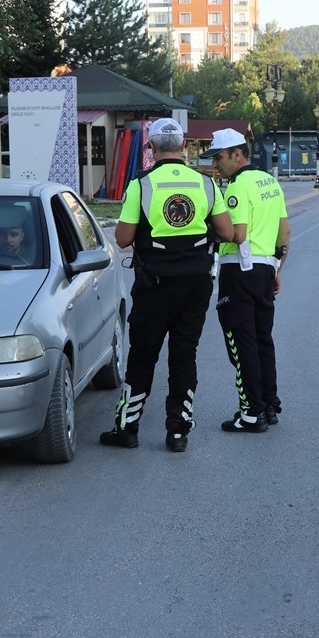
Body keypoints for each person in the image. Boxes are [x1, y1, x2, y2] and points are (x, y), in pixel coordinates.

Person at [99, 118, 234, 453]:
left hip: (154, 284)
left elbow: (123, 238)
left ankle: (127, 429)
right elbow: (229, 233)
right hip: (196, 284)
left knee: (143, 356)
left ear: (152, 149)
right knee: (184, 354)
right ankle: (178, 431)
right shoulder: (205, 184)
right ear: (185, 147)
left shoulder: (141, 185)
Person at [207, 127, 290, 433]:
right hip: (266, 268)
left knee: (241, 344)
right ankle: (269, 404)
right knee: (262, 340)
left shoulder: (238, 187)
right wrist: (277, 269)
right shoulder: (270, 182)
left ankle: (251, 413)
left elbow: (237, 234)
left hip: (238, 271)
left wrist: (212, 229)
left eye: (220, 157)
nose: (217, 164)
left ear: (237, 154)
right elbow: (285, 233)